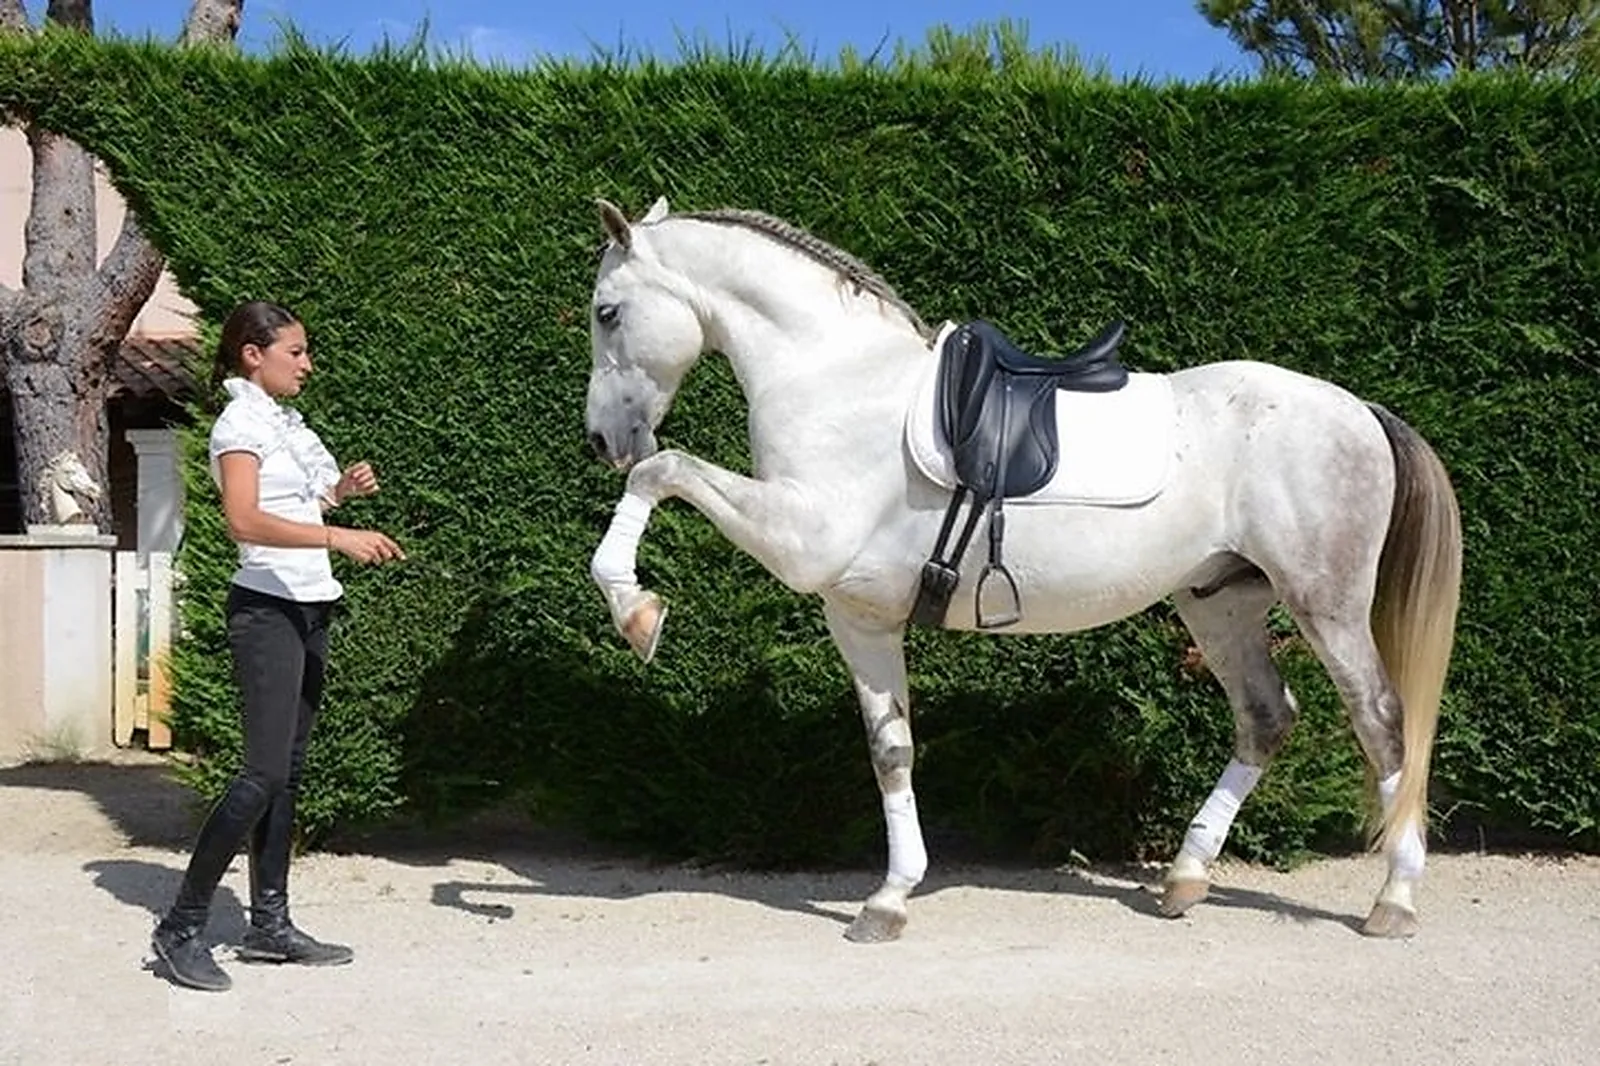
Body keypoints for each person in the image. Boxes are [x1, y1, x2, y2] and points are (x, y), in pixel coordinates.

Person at [150, 300, 405, 992]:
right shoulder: (238, 425)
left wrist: (338, 494)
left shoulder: (282, 424)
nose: (307, 364)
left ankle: (269, 926)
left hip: (308, 604)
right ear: (252, 354)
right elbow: (243, 520)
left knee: (286, 773)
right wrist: (337, 537)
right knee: (262, 773)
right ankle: (179, 928)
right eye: (296, 352)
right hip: (265, 610)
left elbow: (294, 505)